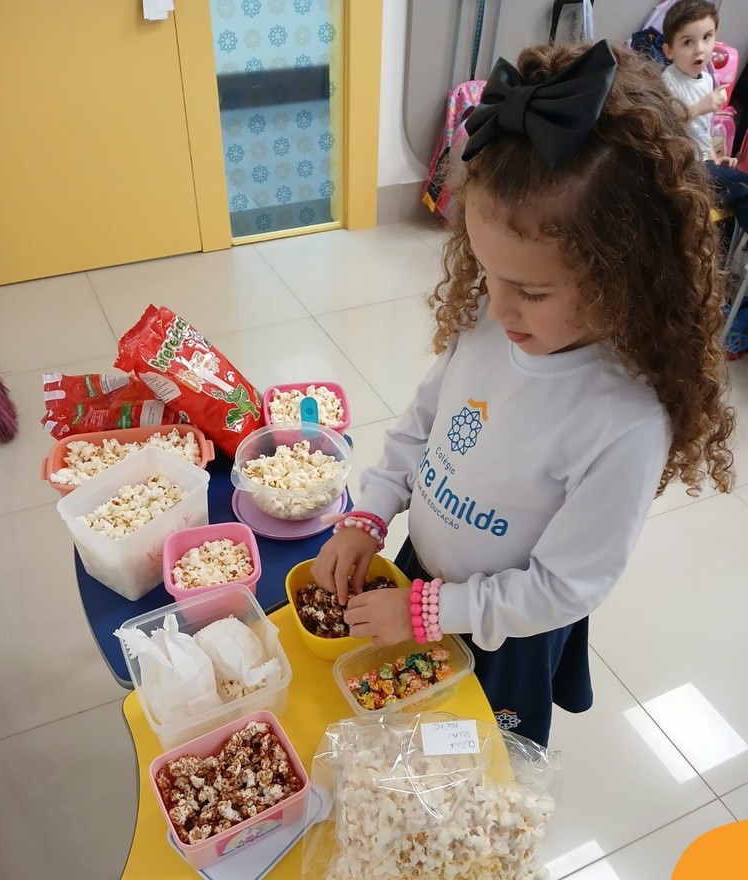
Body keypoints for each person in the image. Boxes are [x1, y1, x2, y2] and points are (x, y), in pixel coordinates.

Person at [311, 39, 735, 748]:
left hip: (503, 627)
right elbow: (420, 428)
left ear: (627, 276)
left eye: (532, 292)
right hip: (422, 578)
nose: (497, 308)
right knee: (397, 737)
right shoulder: (491, 322)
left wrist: (429, 614)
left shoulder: (624, 423)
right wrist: (369, 514)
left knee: (473, 760)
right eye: (486, 272)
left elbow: (562, 589)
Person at [661, 0, 748, 232]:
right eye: (688, 42)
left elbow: (702, 131)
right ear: (669, 51)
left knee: (737, 188)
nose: (700, 49)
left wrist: (715, 159)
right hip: (684, 168)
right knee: (742, 189)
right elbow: (667, 128)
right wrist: (700, 107)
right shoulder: (668, 82)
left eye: (707, 37)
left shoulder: (708, 80)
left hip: (704, 164)